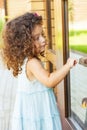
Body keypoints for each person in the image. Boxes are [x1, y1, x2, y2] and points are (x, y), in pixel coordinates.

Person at [2, 12, 77, 130]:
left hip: (33, 110)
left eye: (42, 35)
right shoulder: (32, 63)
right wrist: (67, 65)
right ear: (24, 43)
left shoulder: (26, 60)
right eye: (37, 38)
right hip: (36, 113)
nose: (43, 40)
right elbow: (49, 80)